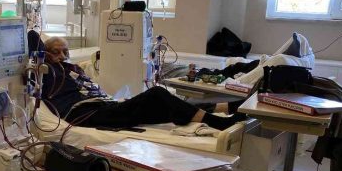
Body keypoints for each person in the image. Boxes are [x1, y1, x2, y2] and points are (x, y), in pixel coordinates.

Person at [40, 37, 246, 131]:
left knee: (168, 106)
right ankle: (216, 121)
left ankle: (225, 108)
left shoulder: (73, 69)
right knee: (157, 93)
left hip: (104, 105)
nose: (62, 56)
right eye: (56, 52)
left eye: (65, 51)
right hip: (86, 115)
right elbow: (34, 39)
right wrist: (44, 57)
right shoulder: (46, 72)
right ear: (45, 54)